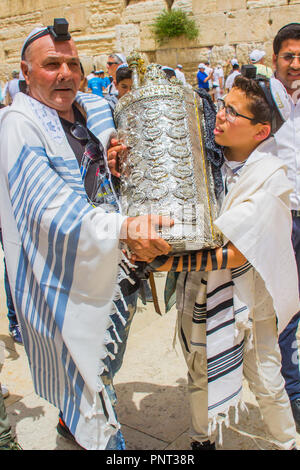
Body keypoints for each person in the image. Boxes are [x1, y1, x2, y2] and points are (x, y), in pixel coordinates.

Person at [0, 20, 172, 451]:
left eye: (72, 63)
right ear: (25, 71)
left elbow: (98, 164)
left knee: (102, 365)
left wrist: (111, 159)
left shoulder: (89, 109)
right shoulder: (19, 124)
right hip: (65, 280)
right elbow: (48, 207)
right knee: (92, 381)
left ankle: (68, 424)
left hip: (114, 270)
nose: (65, 73)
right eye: (51, 64)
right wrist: (124, 227)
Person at [147, 75, 299, 450]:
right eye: (222, 105)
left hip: (251, 301)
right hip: (200, 292)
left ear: (261, 131)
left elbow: (239, 252)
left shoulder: (270, 177)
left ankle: (287, 443)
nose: (220, 115)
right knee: (199, 373)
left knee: (265, 379)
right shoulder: (202, 162)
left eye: (233, 112)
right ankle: (203, 441)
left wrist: (168, 265)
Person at [271, 22, 300, 433]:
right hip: (283, 222)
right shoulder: (260, 101)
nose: (296, 64)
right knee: (286, 314)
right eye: (289, 56)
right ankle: (294, 398)